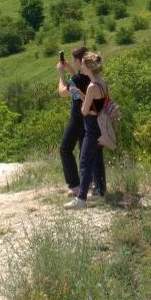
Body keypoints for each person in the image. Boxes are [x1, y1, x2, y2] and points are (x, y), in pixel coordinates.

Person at [57, 45, 105, 198]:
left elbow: (63, 92)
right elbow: (77, 80)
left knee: (66, 149)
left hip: (79, 117)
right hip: (93, 119)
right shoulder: (92, 78)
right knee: (93, 153)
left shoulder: (79, 79)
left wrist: (61, 75)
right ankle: (95, 186)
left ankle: (76, 187)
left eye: (74, 60)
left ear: (80, 61)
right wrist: (70, 69)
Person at [66, 51, 108, 209]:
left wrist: (80, 97)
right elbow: (97, 106)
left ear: (89, 67)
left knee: (84, 162)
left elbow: (85, 111)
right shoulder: (101, 82)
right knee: (97, 158)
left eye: (83, 64)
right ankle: (100, 191)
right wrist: (81, 95)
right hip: (100, 125)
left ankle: (81, 199)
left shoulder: (91, 86)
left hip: (91, 127)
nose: (81, 67)